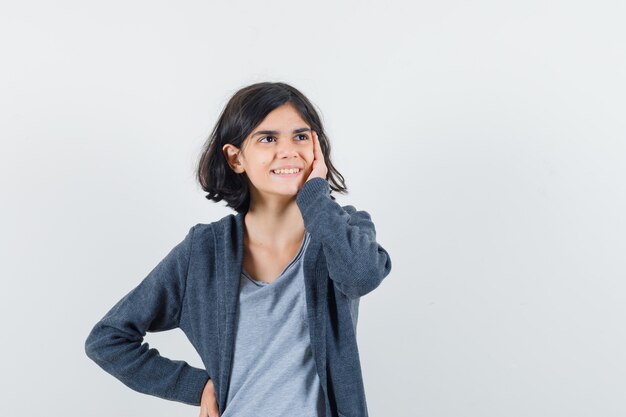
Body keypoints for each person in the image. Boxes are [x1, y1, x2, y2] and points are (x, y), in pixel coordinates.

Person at [84, 81, 392, 417]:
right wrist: (198, 385)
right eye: (268, 138)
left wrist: (315, 194)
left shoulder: (344, 229)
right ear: (235, 158)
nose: (288, 150)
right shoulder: (203, 252)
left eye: (301, 136)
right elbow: (108, 339)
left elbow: (361, 275)